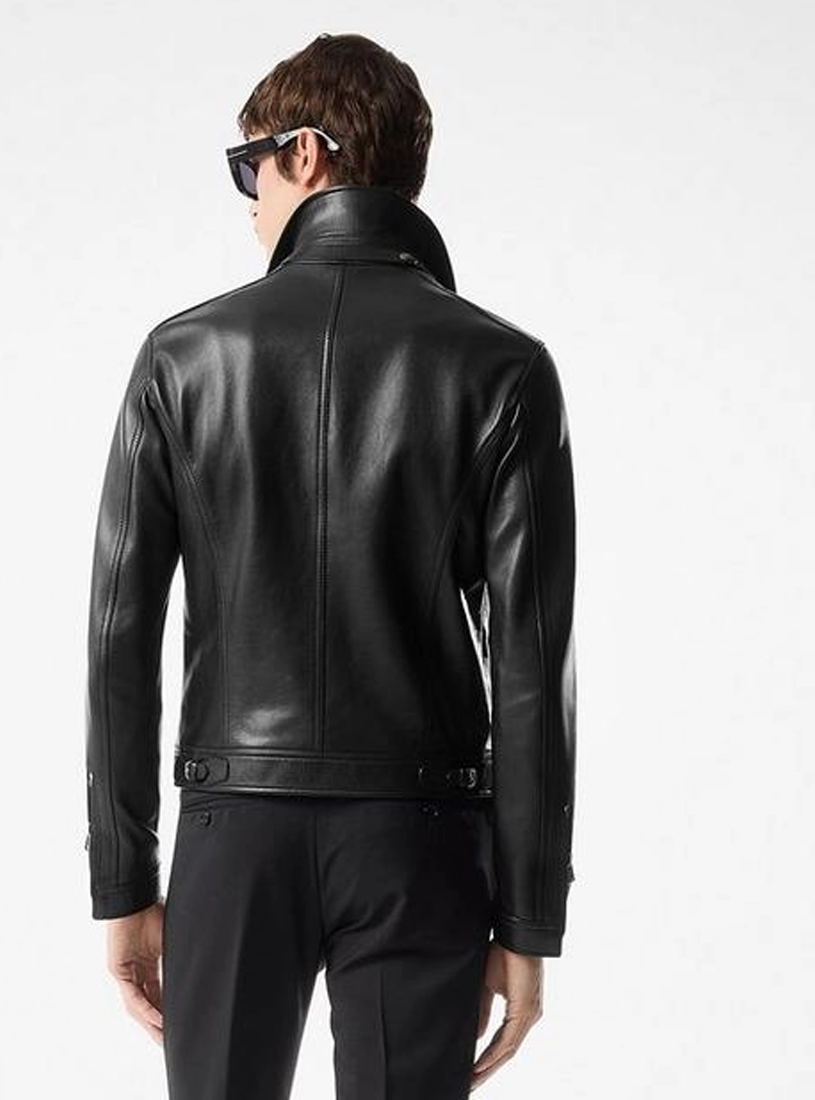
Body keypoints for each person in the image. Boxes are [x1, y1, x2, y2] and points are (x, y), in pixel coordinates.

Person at [83, 31, 577, 1100]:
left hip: (232, 833)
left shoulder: (183, 357)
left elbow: (120, 635)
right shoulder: (504, 369)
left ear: (305, 154)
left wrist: (123, 882)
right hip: (420, 842)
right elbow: (533, 669)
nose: (249, 201)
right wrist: (528, 919)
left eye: (249, 167)